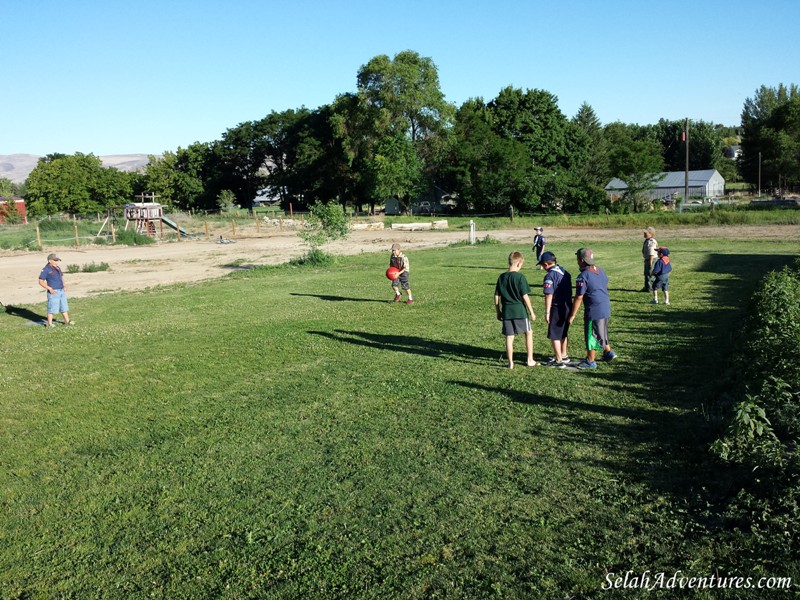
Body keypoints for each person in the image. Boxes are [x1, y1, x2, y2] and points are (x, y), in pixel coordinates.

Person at [567, 247, 616, 369]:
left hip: (594, 310)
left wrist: (572, 315)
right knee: (602, 331)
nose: (577, 262)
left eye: (578, 259)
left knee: (592, 335)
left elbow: (579, 297)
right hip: (605, 306)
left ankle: (590, 360)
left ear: (582, 260)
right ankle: (608, 352)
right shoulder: (600, 270)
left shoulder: (583, 276)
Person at [495, 252, 537, 369]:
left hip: (507, 311)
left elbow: (496, 296)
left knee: (509, 337)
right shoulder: (520, 277)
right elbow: (525, 296)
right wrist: (532, 312)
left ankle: (510, 363)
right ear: (518, 263)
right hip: (520, 311)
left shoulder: (501, 277)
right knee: (528, 333)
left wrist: (498, 311)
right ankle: (530, 359)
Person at [538, 251, 572, 367]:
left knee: (554, 334)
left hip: (557, 307)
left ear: (546, 264)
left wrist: (547, 312)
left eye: (542, 265)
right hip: (568, 306)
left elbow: (549, 294)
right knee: (563, 332)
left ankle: (558, 360)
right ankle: (564, 354)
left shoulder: (549, 276)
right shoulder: (565, 272)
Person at [38, 253, 73, 327]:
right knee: (52, 308)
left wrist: (64, 285)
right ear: (49, 260)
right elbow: (40, 281)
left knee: (64, 307)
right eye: (55, 260)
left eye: (57, 260)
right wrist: (49, 288)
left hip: (61, 290)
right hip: (53, 292)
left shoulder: (57, 268)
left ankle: (67, 321)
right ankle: (49, 324)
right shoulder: (46, 269)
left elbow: (61, 277)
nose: (56, 262)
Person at [642, 226, 658, 292]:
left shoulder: (651, 241)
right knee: (646, 273)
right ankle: (646, 287)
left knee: (650, 273)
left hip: (652, 259)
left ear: (651, 234)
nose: (644, 234)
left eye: (646, 233)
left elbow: (651, 252)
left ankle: (651, 288)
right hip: (648, 259)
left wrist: (650, 261)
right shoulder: (647, 240)